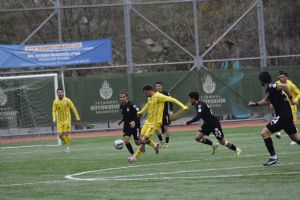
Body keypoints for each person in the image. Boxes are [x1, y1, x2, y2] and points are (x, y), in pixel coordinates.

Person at [248, 71, 300, 166]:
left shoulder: (272, 86)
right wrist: (256, 104)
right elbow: (267, 100)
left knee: (264, 133)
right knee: (295, 138)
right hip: (286, 115)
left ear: (262, 80)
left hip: (283, 116)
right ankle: (273, 158)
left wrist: (291, 98)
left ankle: (273, 158)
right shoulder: (270, 88)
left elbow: (286, 86)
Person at [128, 85, 188, 162]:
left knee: (144, 140)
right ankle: (155, 145)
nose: (145, 94)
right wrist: (141, 112)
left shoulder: (159, 96)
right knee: (140, 139)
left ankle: (135, 157)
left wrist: (183, 107)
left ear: (149, 90)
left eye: (146, 93)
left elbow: (173, 99)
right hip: (148, 121)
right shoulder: (149, 98)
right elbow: (147, 105)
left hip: (155, 123)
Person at [184, 92, 242, 156]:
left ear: (193, 99)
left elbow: (198, 117)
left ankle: (237, 149)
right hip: (207, 124)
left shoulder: (201, 105)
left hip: (214, 124)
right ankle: (214, 145)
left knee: (222, 142)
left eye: (189, 99)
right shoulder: (198, 104)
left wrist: (187, 122)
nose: (188, 100)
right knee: (197, 138)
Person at [274, 71, 300, 144]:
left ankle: (294, 139)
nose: (281, 78)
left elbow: (298, 93)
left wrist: (295, 100)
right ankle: (280, 131)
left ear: (286, 77)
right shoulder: (277, 84)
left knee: (291, 122)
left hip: (291, 107)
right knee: (283, 120)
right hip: (282, 107)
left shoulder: (290, 84)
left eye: (283, 77)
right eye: (280, 77)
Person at [52, 88, 80, 153]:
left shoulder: (67, 100)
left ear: (63, 93)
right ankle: (68, 143)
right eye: (58, 92)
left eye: (61, 92)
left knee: (66, 133)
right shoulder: (55, 102)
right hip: (60, 121)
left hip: (67, 120)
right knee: (60, 135)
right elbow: (53, 111)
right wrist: (54, 118)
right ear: (57, 93)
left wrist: (77, 117)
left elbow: (73, 108)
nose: (60, 93)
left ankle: (68, 147)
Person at [117, 90, 141, 156]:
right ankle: (133, 155)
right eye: (121, 97)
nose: (122, 99)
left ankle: (145, 142)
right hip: (127, 126)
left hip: (136, 126)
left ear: (127, 97)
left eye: (123, 97)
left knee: (138, 143)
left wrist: (134, 121)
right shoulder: (121, 106)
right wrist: (121, 120)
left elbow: (139, 113)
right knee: (126, 140)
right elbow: (125, 115)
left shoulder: (132, 105)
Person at [155, 81, 173, 148]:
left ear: (161, 86)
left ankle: (166, 143)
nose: (158, 87)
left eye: (159, 86)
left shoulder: (166, 93)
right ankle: (161, 142)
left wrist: (171, 110)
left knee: (166, 128)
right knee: (156, 128)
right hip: (157, 114)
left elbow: (171, 101)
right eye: (157, 86)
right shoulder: (155, 94)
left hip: (165, 113)